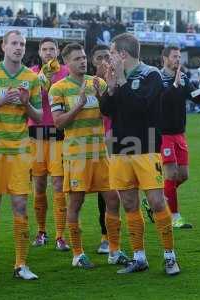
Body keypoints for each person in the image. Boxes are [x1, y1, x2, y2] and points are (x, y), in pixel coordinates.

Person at [99, 33, 180, 275]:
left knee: (156, 201)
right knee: (130, 203)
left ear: (122, 54)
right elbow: (107, 111)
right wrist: (110, 87)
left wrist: (121, 80)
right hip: (120, 148)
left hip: (145, 147)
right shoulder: (118, 77)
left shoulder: (151, 74)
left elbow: (140, 108)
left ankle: (169, 257)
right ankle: (139, 257)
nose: (109, 57)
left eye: (112, 52)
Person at [50, 43, 128, 269]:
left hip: (100, 154)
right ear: (67, 63)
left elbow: (111, 110)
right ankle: (77, 254)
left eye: (84, 57)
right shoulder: (59, 88)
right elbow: (57, 123)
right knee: (76, 203)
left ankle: (114, 250)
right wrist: (79, 105)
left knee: (113, 199)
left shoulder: (98, 83)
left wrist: (111, 88)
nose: (82, 61)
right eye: (77, 59)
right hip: (76, 156)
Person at [0, 30, 42, 280]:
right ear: (3, 46)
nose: (18, 48)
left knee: (21, 206)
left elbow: (39, 117)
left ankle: (21, 264)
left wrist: (24, 103)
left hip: (20, 152)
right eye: (14, 43)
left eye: (22, 44)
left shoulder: (31, 78)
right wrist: (2, 101)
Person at [28, 38, 70, 251]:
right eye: (44, 49)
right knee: (39, 186)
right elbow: (32, 97)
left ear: (58, 51)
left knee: (58, 186)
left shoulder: (66, 72)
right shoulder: (32, 73)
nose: (48, 52)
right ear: (39, 51)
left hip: (57, 135)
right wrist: (43, 77)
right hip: (35, 135)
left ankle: (60, 236)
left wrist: (53, 80)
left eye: (51, 49)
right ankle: (42, 232)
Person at [160, 46, 200, 229]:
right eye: (174, 56)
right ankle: (174, 217)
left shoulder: (184, 77)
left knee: (183, 175)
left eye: (179, 56)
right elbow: (161, 100)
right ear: (165, 58)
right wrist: (175, 84)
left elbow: (196, 99)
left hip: (180, 133)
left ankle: (158, 199)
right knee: (171, 174)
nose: (178, 59)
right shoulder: (158, 78)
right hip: (163, 133)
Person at [90, 44, 112, 254]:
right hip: (95, 142)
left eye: (107, 56)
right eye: (100, 58)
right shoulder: (87, 83)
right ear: (93, 61)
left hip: (122, 140)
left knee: (124, 189)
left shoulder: (121, 80)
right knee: (104, 191)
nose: (104, 60)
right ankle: (106, 236)